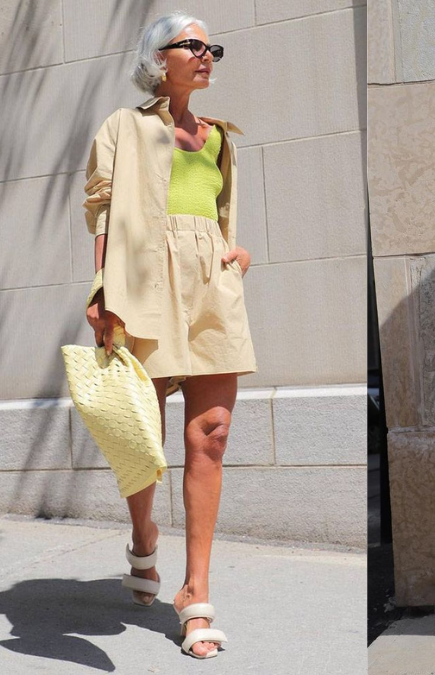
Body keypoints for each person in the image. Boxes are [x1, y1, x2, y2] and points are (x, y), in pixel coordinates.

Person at [83, 11, 256, 659]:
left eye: (212, 47)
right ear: (159, 58)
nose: (206, 55)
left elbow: (216, 213)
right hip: (143, 286)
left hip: (210, 287)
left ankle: (195, 592)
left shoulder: (218, 138)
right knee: (142, 438)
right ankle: (144, 536)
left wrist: (235, 254)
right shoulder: (123, 127)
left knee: (211, 434)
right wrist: (103, 291)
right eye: (192, 45)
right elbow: (102, 208)